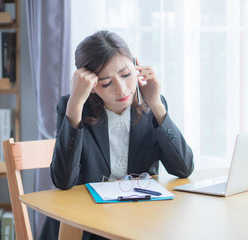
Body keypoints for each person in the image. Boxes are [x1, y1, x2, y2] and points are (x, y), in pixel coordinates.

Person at [39, 30, 194, 240]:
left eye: (126, 75)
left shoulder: (152, 103)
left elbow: (184, 169)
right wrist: (75, 105)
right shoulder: (74, 107)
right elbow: (63, 181)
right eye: (106, 83)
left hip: (138, 223)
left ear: (136, 68)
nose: (121, 90)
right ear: (91, 86)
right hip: (84, 227)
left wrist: (156, 104)